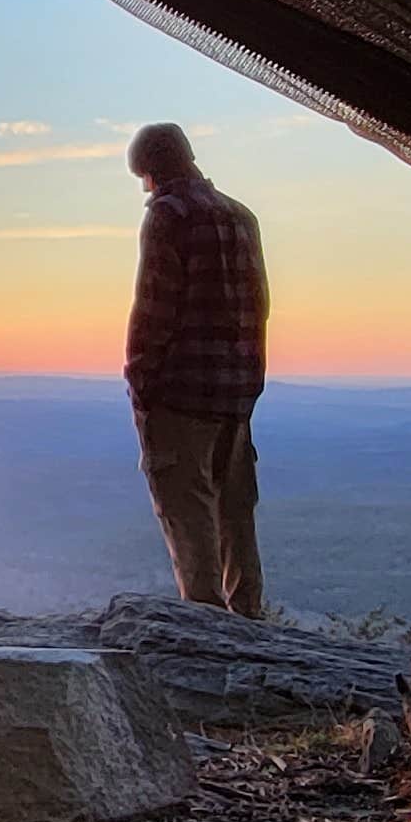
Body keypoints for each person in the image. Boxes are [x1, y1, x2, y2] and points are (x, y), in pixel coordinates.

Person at [123, 122, 269, 617]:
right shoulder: (240, 216)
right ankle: (248, 621)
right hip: (234, 397)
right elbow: (259, 304)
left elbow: (155, 308)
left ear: (153, 171)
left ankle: (204, 634)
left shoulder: (169, 215)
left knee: (189, 519)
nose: (145, 189)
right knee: (235, 515)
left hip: (181, 395)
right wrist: (249, 382)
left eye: (144, 178)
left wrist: (140, 381)